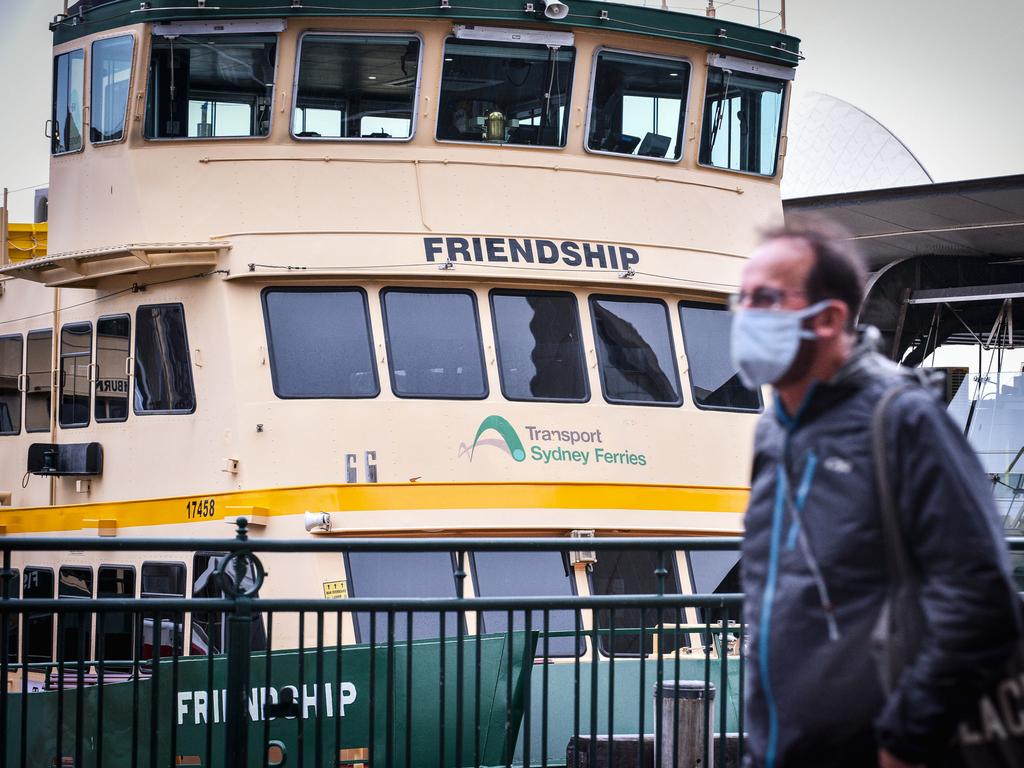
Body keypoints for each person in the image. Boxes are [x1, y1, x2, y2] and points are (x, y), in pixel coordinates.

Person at [731, 220, 1020, 768]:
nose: (746, 315)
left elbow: (981, 600)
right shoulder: (774, 432)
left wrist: (907, 740)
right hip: (781, 747)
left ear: (831, 317)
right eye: (741, 298)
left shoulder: (905, 420)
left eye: (767, 299)